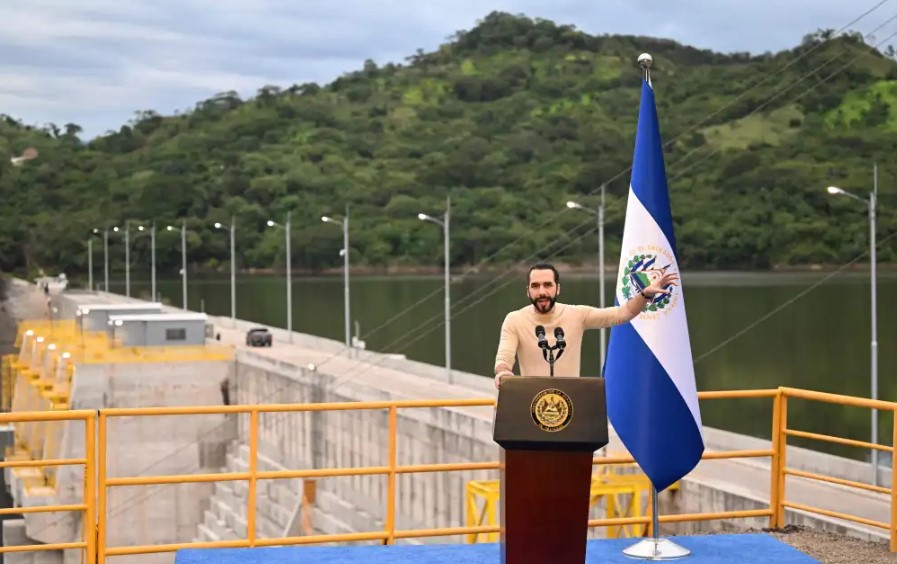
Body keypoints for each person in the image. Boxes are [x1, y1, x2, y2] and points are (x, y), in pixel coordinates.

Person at [493, 262, 678, 388]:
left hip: (572, 405)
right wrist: (503, 373)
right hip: (531, 405)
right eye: (535, 286)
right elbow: (504, 358)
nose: (542, 292)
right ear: (528, 291)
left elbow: (622, 314)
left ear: (558, 288)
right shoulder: (515, 319)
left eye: (548, 285)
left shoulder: (577, 314)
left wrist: (645, 295)